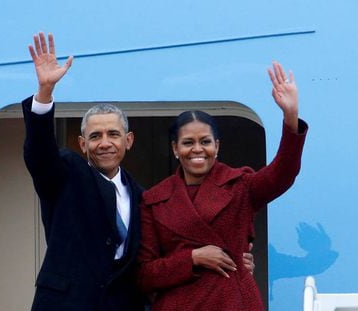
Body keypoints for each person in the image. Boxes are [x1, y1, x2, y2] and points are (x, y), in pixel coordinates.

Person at [22, 32, 255, 310]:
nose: (105, 143)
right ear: (83, 144)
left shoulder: (145, 197)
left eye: (113, 134)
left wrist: (236, 260)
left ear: (128, 141)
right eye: (95, 136)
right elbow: (40, 155)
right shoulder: (65, 174)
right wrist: (44, 94)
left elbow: (164, 258)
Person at [136, 62, 308, 310]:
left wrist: (290, 117)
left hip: (233, 301)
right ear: (175, 148)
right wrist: (193, 258)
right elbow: (144, 275)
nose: (197, 149)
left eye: (205, 141)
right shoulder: (154, 200)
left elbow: (283, 173)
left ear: (217, 146)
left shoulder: (240, 185)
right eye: (188, 142)